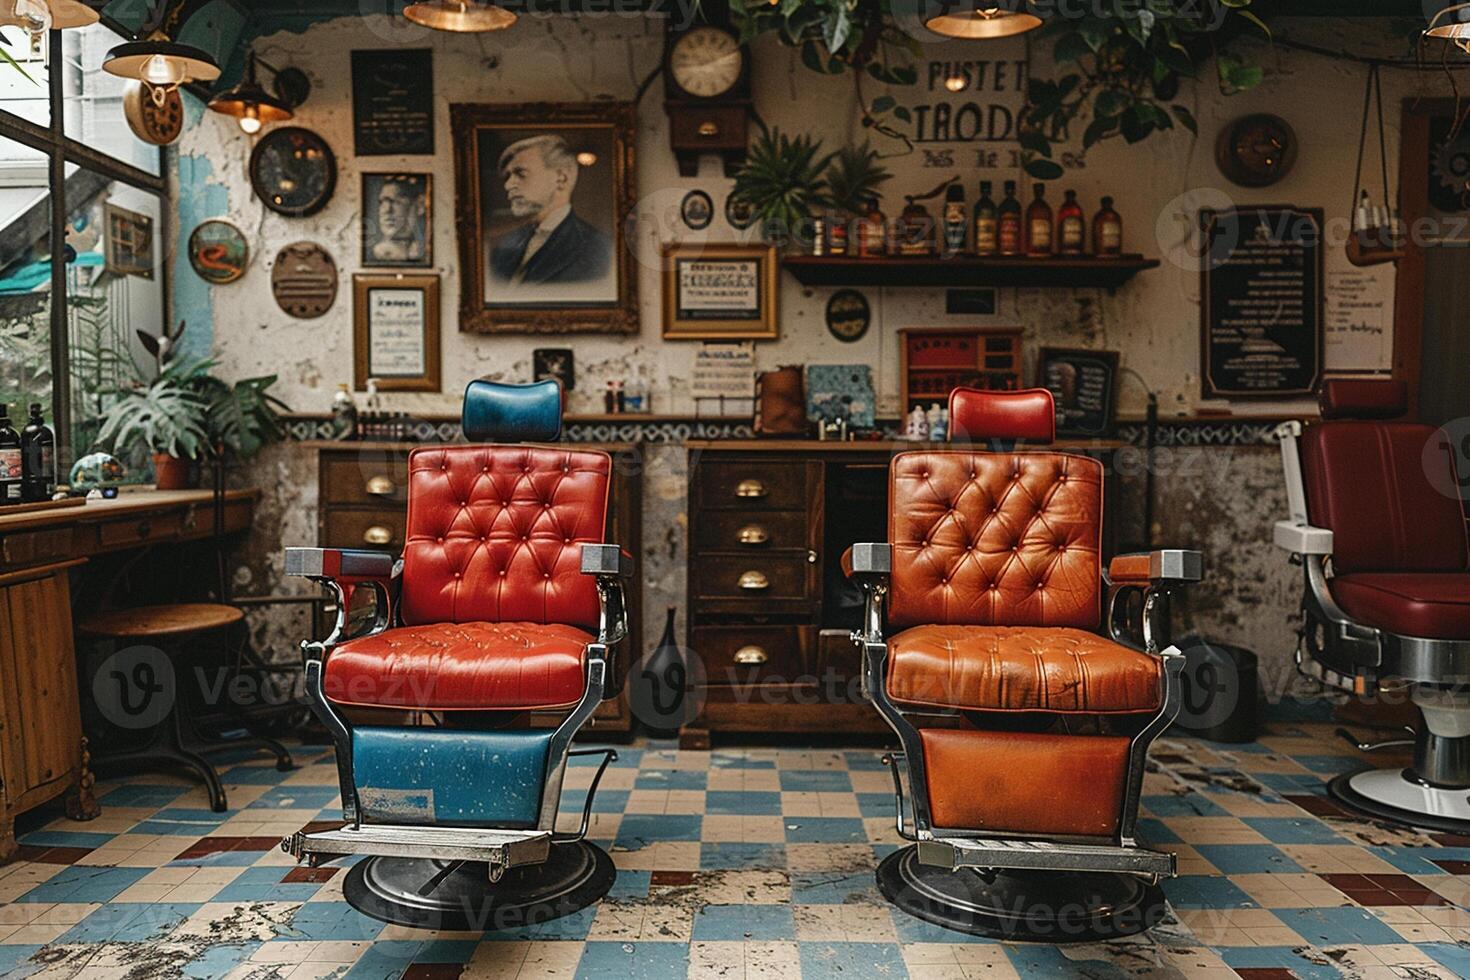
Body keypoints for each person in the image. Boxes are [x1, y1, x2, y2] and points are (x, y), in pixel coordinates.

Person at [488, 134, 611, 287]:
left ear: (561, 178)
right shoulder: (506, 244)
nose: (508, 185)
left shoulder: (598, 249)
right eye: (507, 176)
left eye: (520, 173)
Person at [370, 176, 427, 263]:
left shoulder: (423, 251)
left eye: (396, 201)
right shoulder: (374, 254)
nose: (386, 210)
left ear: (420, 205)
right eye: (382, 202)